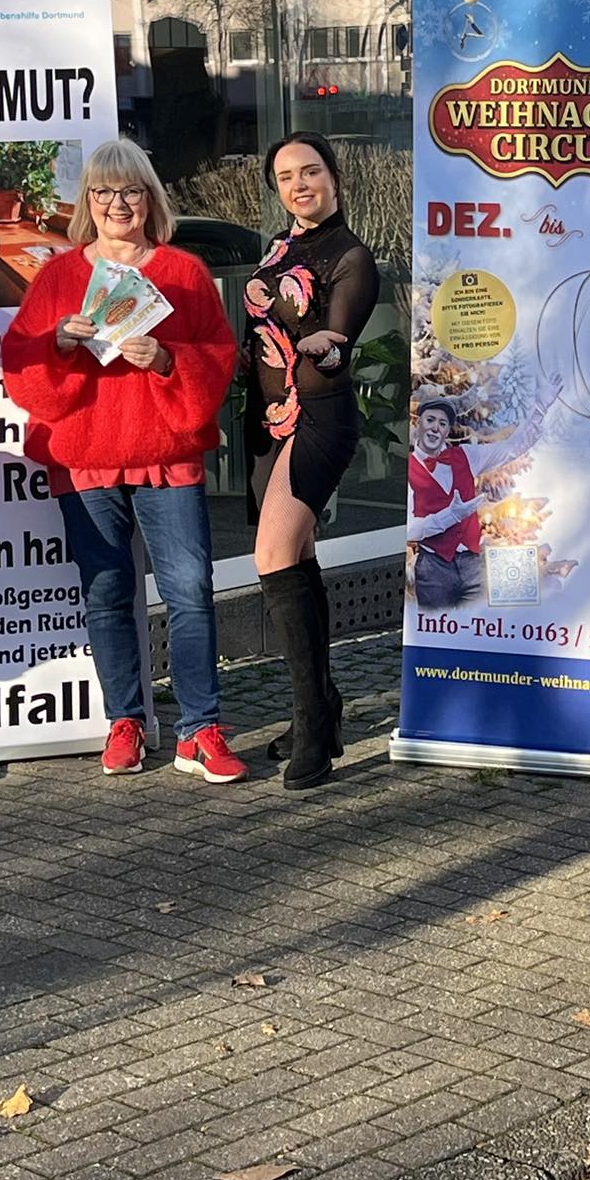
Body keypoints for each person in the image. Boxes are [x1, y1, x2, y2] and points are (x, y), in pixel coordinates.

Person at [0, 139, 241, 784]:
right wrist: (56, 341)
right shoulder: (57, 277)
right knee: (106, 592)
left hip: (166, 455)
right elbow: (21, 367)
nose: (117, 204)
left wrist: (166, 361)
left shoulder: (184, 271)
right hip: (87, 459)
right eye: (103, 193)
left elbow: (219, 356)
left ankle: (200, 729)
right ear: (87, 202)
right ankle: (124, 721)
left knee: (190, 592)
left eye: (130, 191)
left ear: (149, 199)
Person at [244, 133, 379, 789]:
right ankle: (319, 710)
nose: (299, 184)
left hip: (321, 421)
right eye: (286, 176)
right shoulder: (279, 248)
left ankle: (315, 735)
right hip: (273, 425)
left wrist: (330, 341)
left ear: (334, 176)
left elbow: (340, 330)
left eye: (311, 172)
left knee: (271, 555)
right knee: (296, 559)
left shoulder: (349, 254)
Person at [407, 379, 559, 610]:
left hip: (472, 565)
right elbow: (410, 529)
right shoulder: (408, 468)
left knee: (478, 626)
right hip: (433, 568)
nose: (435, 427)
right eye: (430, 420)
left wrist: (540, 408)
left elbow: (511, 448)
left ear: (448, 430)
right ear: (418, 424)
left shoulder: (466, 455)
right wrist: (449, 516)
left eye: (442, 423)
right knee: (435, 631)